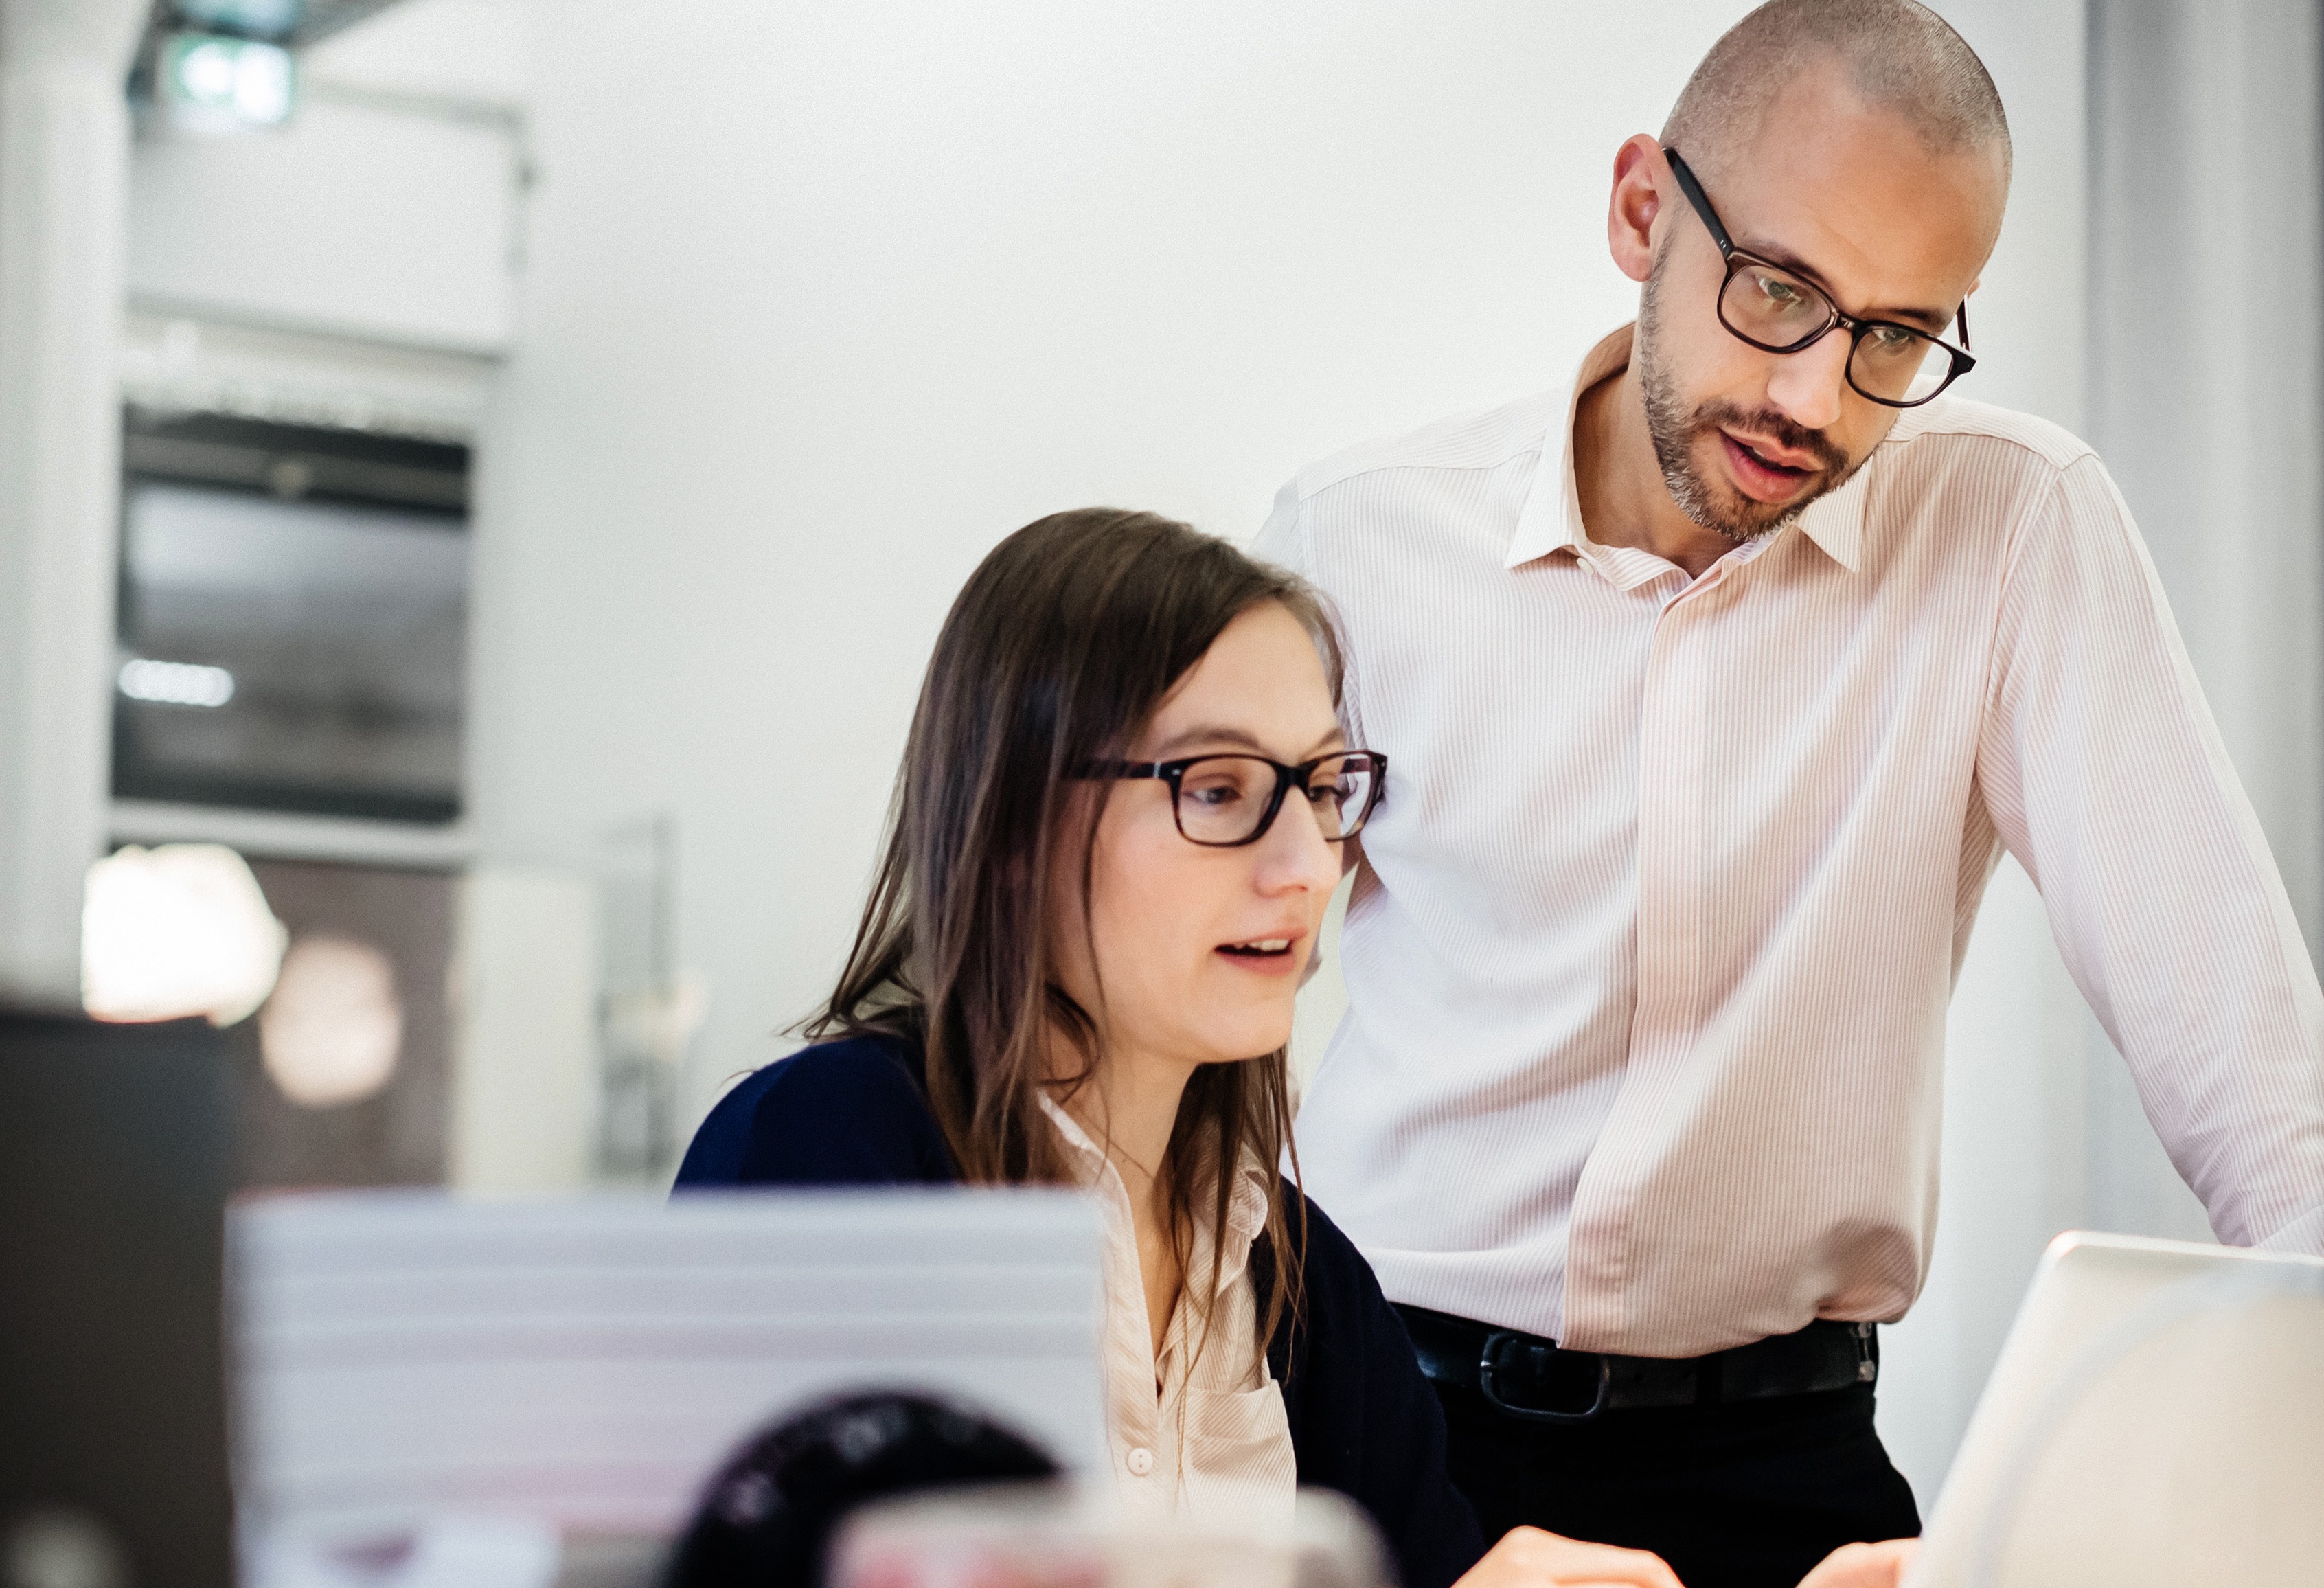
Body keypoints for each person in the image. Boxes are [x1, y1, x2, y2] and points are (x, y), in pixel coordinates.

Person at [1252, 5, 2324, 1588]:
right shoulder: (1361, 538)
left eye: (1896, 337)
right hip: (1385, 1444)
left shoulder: (2014, 531)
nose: (1817, 402)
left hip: (1784, 1478)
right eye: (1777, 290)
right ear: (1644, 209)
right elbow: (1182, 1046)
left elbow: (2259, 1086)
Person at [675, 509, 1913, 1588]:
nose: (1307, 864)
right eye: (1217, 791)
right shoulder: (830, 1146)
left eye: (1325, 788)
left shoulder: (1308, 1286)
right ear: (1010, 815)